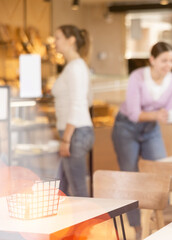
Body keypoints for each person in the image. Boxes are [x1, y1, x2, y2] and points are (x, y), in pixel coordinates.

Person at [112, 41, 172, 238]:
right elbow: (134, 113)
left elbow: (167, 112)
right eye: (163, 60)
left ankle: (162, 224)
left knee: (161, 173)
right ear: (152, 60)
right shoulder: (138, 77)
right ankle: (137, 228)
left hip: (151, 129)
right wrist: (158, 115)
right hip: (126, 127)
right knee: (131, 176)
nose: (168, 65)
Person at [52, 25, 94, 197]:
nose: (54, 42)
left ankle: (88, 224)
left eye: (57, 38)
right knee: (61, 187)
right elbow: (88, 99)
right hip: (76, 133)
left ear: (71, 40)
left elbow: (78, 104)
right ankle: (65, 224)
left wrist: (66, 139)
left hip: (75, 134)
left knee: (78, 191)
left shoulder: (76, 67)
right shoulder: (74, 66)